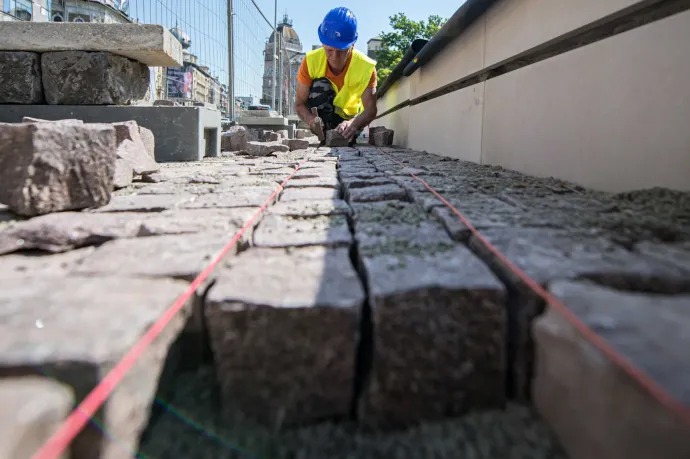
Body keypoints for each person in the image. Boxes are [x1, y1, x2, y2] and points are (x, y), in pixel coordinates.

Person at [294, 7, 378, 146]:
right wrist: (310, 120)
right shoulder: (310, 62)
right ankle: (325, 135)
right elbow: (299, 104)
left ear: (352, 45)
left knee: (347, 132)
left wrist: (353, 124)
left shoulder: (366, 68)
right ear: (322, 43)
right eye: (329, 50)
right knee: (320, 85)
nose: (334, 57)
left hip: (350, 121)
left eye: (341, 51)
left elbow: (371, 109)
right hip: (322, 118)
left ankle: (344, 136)